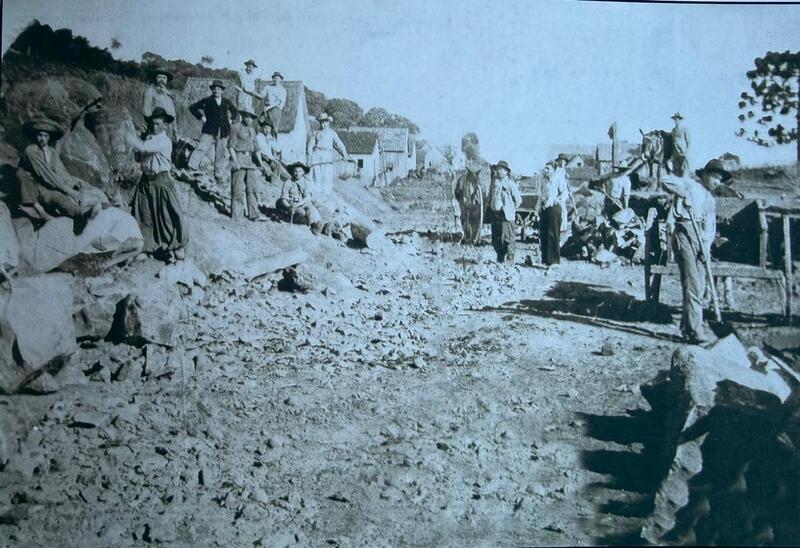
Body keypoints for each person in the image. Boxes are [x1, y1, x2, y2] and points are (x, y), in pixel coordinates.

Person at [662, 158, 730, 344]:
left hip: (700, 239)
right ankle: (695, 331)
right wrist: (683, 194)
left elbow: (709, 228)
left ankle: (686, 326)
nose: (716, 182)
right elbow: (665, 180)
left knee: (699, 283)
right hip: (684, 232)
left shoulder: (710, 200)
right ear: (705, 175)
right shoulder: (690, 185)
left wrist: (705, 250)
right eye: (714, 177)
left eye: (719, 179)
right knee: (693, 284)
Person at [125, 107, 188, 263]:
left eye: (158, 123)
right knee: (143, 214)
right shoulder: (149, 138)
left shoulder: (164, 142)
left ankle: (177, 246)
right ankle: (147, 248)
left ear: (165, 125)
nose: (155, 126)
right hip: (146, 180)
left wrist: (129, 135)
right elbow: (139, 156)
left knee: (167, 215)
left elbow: (145, 149)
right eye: (153, 123)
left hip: (161, 181)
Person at [16, 117, 108, 221]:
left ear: (49, 137)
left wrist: (71, 185)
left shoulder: (51, 152)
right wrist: (69, 191)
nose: (42, 139)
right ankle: (79, 212)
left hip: (49, 183)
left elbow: (61, 171)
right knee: (56, 196)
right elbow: (46, 175)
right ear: (35, 136)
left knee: (66, 192)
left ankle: (88, 209)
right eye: (39, 135)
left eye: (45, 136)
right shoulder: (31, 150)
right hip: (35, 184)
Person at [187, 79, 237, 183]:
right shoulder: (207, 100)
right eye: (214, 89)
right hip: (209, 128)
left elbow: (234, 111)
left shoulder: (226, 102)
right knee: (202, 147)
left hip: (223, 130)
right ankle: (192, 166)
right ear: (212, 90)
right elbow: (192, 107)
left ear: (222, 91)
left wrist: (231, 120)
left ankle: (218, 174)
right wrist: (201, 117)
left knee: (220, 151)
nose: (216, 91)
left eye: (218, 89)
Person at [452, 132, 491, 244]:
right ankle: (467, 235)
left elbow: (484, 185)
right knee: (465, 216)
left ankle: (474, 237)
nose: (464, 150)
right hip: (465, 197)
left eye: (467, 147)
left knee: (475, 216)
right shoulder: (464, 161)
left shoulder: (483, 163)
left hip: (477, 198)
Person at [228, 108, 263, 220]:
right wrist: (236, 161)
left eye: (251, 117)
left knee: (252, 188)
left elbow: (256, 148)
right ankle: (237, 214)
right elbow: (230, 146)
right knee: (238, 187)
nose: (249, 119)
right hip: (238, 157)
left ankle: (253, 213)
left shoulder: (252, 130)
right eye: (246, 116)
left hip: (250, 160)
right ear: (242, 116)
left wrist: (260, 163)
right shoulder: (235, 127)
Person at [536, 160, 569, 266]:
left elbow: (565, 193)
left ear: (554, 170)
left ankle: (554, 261)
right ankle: (545, 260)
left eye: (548, 168)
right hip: (544, 208)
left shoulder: (559, 179)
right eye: (545, 168)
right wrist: (538, 207)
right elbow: (540, 195)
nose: (546, 170)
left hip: (554, 208)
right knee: (544, 233)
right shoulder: (544, 181)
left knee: (553, 234)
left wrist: (557, 199)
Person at [307, 113, 350, 195]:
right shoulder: (316, 133)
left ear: (328, 123)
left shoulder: (332, 133)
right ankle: (315, 195)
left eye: (325, 122)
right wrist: (309, 158)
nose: (323, 124)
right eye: (321, 122)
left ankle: (326, 195)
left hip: (327, 156)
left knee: (326, 176)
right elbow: (310, 146)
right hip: (317, 155)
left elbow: (340, 144)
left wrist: (344, 155)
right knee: (317, 176)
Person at [488, 160, 521, 263]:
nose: (499, 171)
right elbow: (489, 197)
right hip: (496, 214)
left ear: (506, 171)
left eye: (501, 169)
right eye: (497, 169)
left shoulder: (511, 184)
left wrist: (511, 209)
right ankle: (500, 258)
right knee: (497, 237)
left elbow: (518, 200)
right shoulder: (494, 184)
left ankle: (510, 259)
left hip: (507, 215)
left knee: (508, 238)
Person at [276, 162, 322, 229]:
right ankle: (305, 221)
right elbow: (283, 198)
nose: (297, 173)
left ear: (303, 172)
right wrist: (289, 206)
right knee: (301, 212)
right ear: (292, 172)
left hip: (302, 203)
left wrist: (298, 204)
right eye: (295, 171)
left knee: (312, 209)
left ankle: (315, 224)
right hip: (291, 205)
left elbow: (307, 198)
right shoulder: (288, 182)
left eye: (300, 171)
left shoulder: (306, 182)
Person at [142, 66, 177, 139]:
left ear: (167, 81)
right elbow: (146, 111)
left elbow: (173, 114)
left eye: (164, 78)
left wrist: (175, 129)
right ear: (155, 78)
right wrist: (154, 126)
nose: (162, 80)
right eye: (159, 77)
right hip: (156, 127)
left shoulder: (169, 95)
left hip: (168, 128)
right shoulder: (149, 91)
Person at [256, 119, 289, 184]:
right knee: (279, 167)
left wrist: (273, 140)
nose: (267, 130)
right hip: (264, 158)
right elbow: (258, 150)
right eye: (265, 128)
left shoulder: (269, 137)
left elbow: (277, 149)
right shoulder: (258, 137)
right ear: (262, 128)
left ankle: (287, 178)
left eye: (269, 128)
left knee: (283, 166)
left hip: (271, 158)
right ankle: (281, 180)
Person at [262, 71, 286, 138]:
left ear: (280, 80)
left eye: (278, 78)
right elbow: (262, 95)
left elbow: (278, 102)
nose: (276, 80)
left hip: (275, 110)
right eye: (274, 78)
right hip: (266, 109)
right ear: (272, 79)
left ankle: (274, 142)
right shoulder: (268, 87)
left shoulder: (282, 90)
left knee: (273, 127)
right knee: (262, 124)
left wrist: (269, 107)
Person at [670, 112, 690, 176]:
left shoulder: (684, 129)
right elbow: (672, 141)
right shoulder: (673, 130)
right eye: (675, 120)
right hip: (675, 152)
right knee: (675, 169)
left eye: (677, 119)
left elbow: (688, 142)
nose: (676, 121)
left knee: (683, 170)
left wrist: (686, 152)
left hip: (682, 152)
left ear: (680, 120)